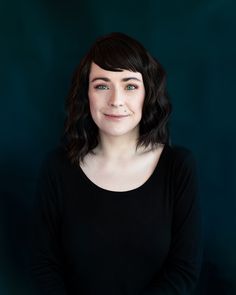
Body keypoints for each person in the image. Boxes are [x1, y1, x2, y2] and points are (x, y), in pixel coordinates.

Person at [31, 32, 203, 295]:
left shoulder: (177, 167)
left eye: (130, 85)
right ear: (86, 93)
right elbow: (44, 265)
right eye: (102, 85)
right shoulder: (57, 168)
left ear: (147, 93)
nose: (116, 100)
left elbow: (183, 270)